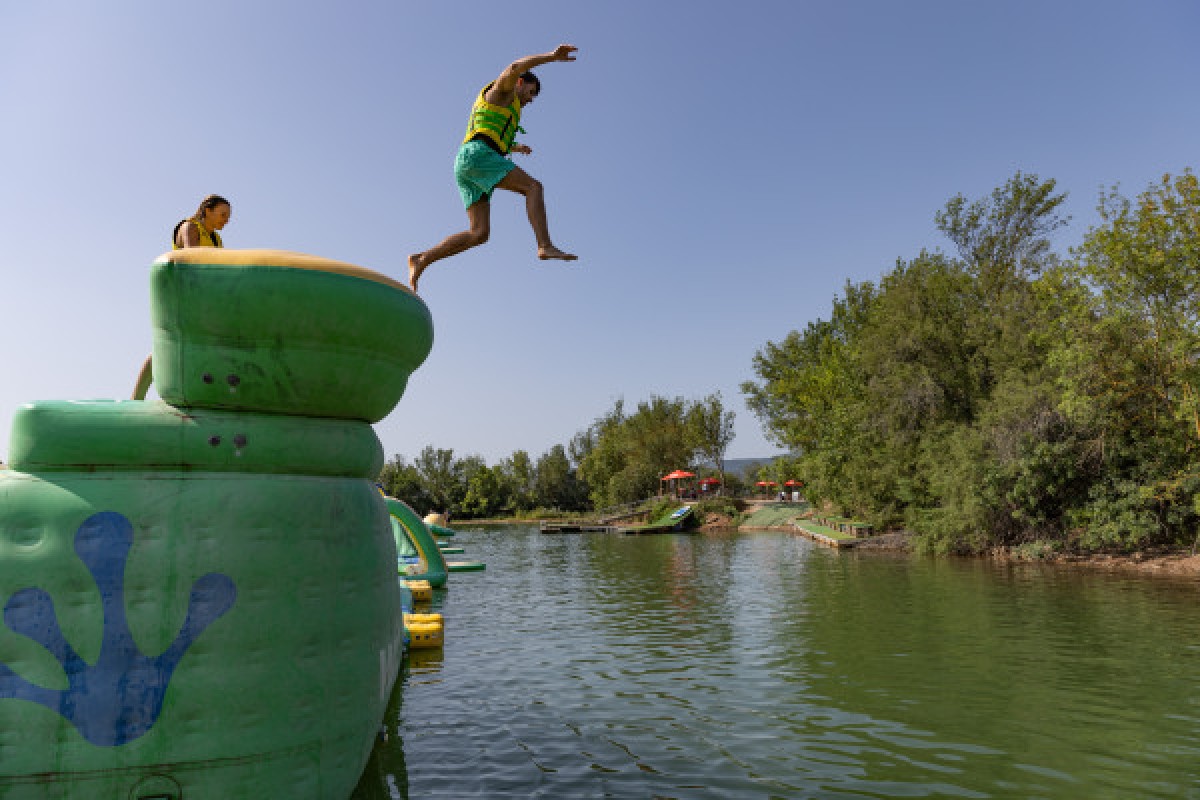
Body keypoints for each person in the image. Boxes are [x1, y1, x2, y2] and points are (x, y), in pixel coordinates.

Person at [408, 45, 579, 292]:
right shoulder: (503, 91)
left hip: (466, 162)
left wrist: (515, 146)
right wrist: (552, 57)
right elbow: (515, 67)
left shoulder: (505, 107)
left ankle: (421, 259)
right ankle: (545, 245)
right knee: (533, 188)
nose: (530, 100)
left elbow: (490, 131)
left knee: (479, 233)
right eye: (530, 93)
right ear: (520, 83)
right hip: (477, 155)